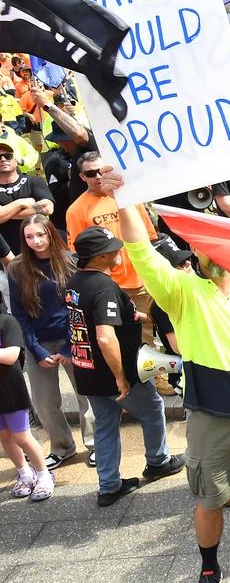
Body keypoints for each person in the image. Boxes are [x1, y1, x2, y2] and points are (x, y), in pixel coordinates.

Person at [104, 168, 230, 583]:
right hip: (210, 413)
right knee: (211, 498)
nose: (214, 254)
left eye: (221, 246)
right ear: (197, 254)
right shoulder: (183, 291)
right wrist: (127, 196)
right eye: (205, 247)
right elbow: (141, 249)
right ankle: (210, 569)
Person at [66, 227, 185, 506]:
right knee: (153, 409)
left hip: (87, 370)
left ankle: (109, 486)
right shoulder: (103, 286)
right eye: (113, 249)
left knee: (106, 426)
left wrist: (150, 319)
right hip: (115, 373)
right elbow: (105, 336)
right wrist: (121, 377)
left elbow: (120, 316)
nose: (118, 252)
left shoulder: (75, 282)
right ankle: (158, 461)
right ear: (100, 256)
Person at [8, 214, 95, 470]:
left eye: (40, 234)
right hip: (38, 343)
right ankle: (62, 447)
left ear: (50, 234)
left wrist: (70, 347)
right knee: (44, 403)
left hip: (73, 338)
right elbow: (19, 313)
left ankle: (95, 445)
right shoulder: (17, 268)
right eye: (29, 236)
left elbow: (78, 305)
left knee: (87, 397)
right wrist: (35, 348)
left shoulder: (70, 261)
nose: (35, 241)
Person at [65, 152, 159, 338]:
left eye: (101, 171)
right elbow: (79, 255)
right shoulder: (76, 210)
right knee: (123, 338)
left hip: (143, 279)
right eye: (91, 173)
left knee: (151, 334)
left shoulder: (129, 195)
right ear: (82, 177)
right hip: (111, 286)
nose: (98, 176)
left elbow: (149, 236)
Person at [0, 310, 55, 501]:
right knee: (5, 437)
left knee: (22, 436)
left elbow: (12, 354)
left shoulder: (7, 321)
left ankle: (44, 474)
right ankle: (24, 473)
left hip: (11, 391)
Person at [0, 139, 53, 256]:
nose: (3, 159)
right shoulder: (22, 202)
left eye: (7, 156)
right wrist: (21, 203)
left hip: (40, 251)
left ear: (16, 160)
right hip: (6, 256)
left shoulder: (34, 181)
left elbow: (47, 208)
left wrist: (5, 212)